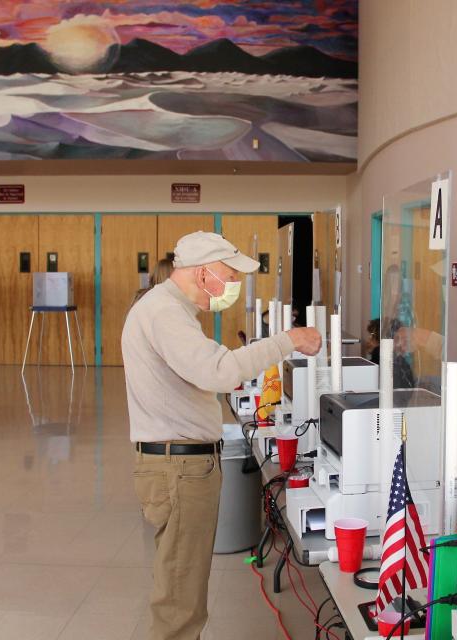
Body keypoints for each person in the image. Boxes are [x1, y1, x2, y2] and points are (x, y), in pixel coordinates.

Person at [122, 231, 321, 640]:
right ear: (202, 273)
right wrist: (287, 341)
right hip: (179, 469)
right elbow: (219, 371)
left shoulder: (171, 311)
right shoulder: (164, 313)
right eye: (229, 277)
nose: (233, 287)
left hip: (181, 465)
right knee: (180, 598)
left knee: (182, 586)